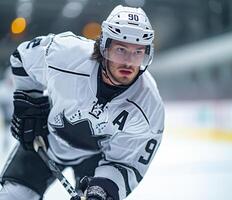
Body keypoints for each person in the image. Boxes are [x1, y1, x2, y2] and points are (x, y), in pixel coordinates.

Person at [0, 4, 164, 200]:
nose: (129, 62)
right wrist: (28, 101)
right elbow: (22, 58)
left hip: (97, 159)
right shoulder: (66, 54)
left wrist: (103, 190)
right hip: (45, 140)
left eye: (138, 52)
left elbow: (126, 163)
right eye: (121, 49)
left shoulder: (148, 105)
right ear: (104, 46)